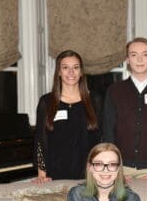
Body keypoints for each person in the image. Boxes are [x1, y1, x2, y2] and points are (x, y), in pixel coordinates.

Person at [103, 37, 147, 190]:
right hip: (121, 169)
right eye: (134, 55)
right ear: (127, 60)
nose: (140, 59)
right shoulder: (114, 91)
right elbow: (108, 132)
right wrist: (114, 168)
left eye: (145, 54)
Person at [33, 50, 99, 183]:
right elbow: (40, 139)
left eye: (75, 67)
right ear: (58, 72)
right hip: (55, 174)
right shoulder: (46, 101)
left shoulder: (95, 100)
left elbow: (101, 138)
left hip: (88, 174)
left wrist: (98, 167)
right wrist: (42, 173)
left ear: (81, 72)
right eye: (65, 68)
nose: (71, 72)